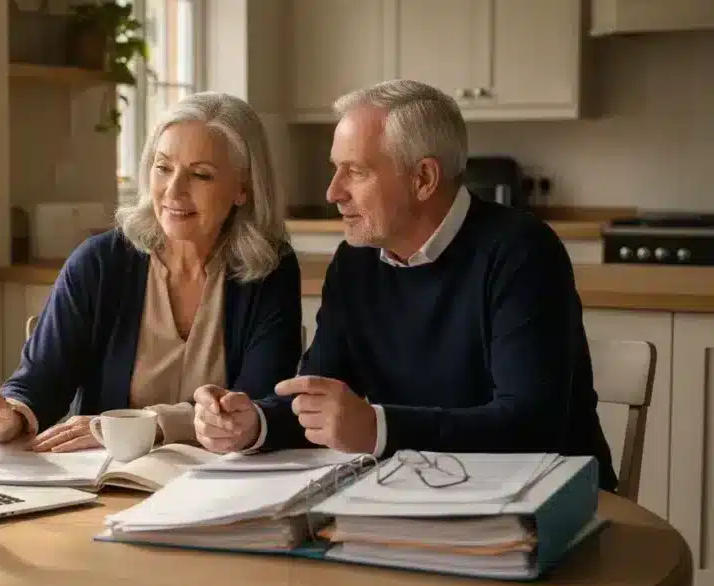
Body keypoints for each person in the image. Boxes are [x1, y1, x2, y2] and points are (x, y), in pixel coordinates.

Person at [191, 79, 617, 490]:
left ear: (423, 179)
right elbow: (320, 398)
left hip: (556, 505)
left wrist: (378, 427)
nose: (332, 192)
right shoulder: (355, 260)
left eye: (354, 171)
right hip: (417, 498)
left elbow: (531, 427)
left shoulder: (522, 252)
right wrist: (253, 423)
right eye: (336, 170)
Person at [0, 91, 302, 453]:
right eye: (163, 167)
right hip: (106, 482)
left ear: (243, 189)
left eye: (201, 175)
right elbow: (40, 382)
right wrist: (8, 416)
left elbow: (258, 403)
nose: (173, 190)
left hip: (219, 486)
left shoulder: (270, 270)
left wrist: (139, 426)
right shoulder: (100, 262)